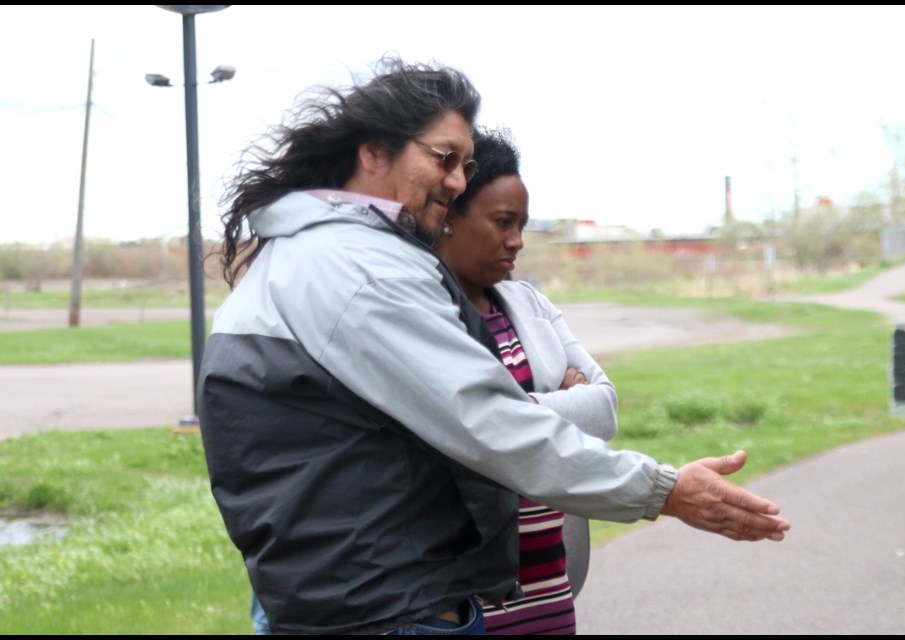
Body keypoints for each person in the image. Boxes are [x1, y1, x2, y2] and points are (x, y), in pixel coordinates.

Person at [198, 55, 790, 636]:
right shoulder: (363, 271)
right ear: (374, 151)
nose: (457, 181)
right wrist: (665, 490)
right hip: (389, 610)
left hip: (350, 598)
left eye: (466, 163)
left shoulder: (307, 255)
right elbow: (488, 421)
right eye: (444, 158)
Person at [436, 127, 612, 634]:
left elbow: (604, 407)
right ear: (449, 218)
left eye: (522, 225)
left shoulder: (528, 304)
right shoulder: (424, 316)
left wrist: (511, 410)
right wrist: (558, 401)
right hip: (467, 593)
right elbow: (457, 428)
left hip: (548, 580)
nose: (516, 241)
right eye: (501, 222)